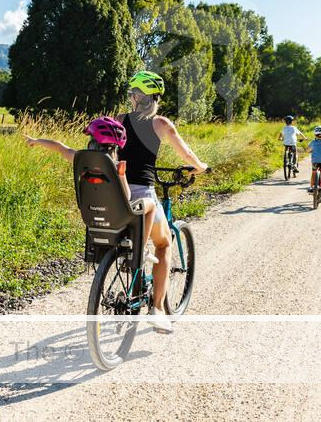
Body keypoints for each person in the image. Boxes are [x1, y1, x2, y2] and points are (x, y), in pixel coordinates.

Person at [117, 70, 209, 334]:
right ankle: (158, 308)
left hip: (118, 192)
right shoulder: (161, 124)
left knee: (136, 237)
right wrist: (200, 167)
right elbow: (187, 153)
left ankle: (128, 258)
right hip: (143, 194)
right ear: (155, 97)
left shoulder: (120, 119)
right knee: (164, 243)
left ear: (136, 96)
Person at [24, 117, 166, 265]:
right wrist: (122, 175)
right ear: (116, 147)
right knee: (151, 205)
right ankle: (140, 250)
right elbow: (128, 195)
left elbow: (60, 147)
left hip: (89, 213)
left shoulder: (80, 159)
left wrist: (36, 141)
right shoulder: (117, 167)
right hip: (119, 215)